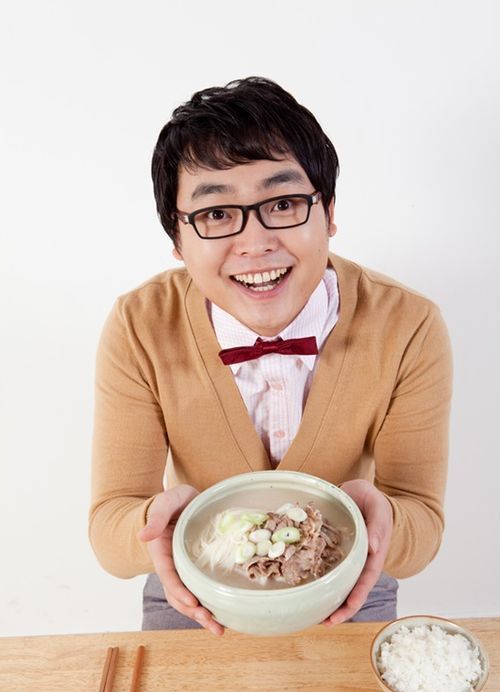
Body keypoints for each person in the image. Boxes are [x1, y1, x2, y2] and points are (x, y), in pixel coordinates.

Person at [90, 77, 452, 636]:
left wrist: (383, 524)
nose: (255, 243)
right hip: (193, 580)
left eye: (283, 203)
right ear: (177, 239)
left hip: (353, 572)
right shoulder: (139, 325)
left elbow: (421, 523)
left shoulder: (409, 324)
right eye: (216, 214)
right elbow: (110, 526)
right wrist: (155, 527)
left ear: (329, 212)